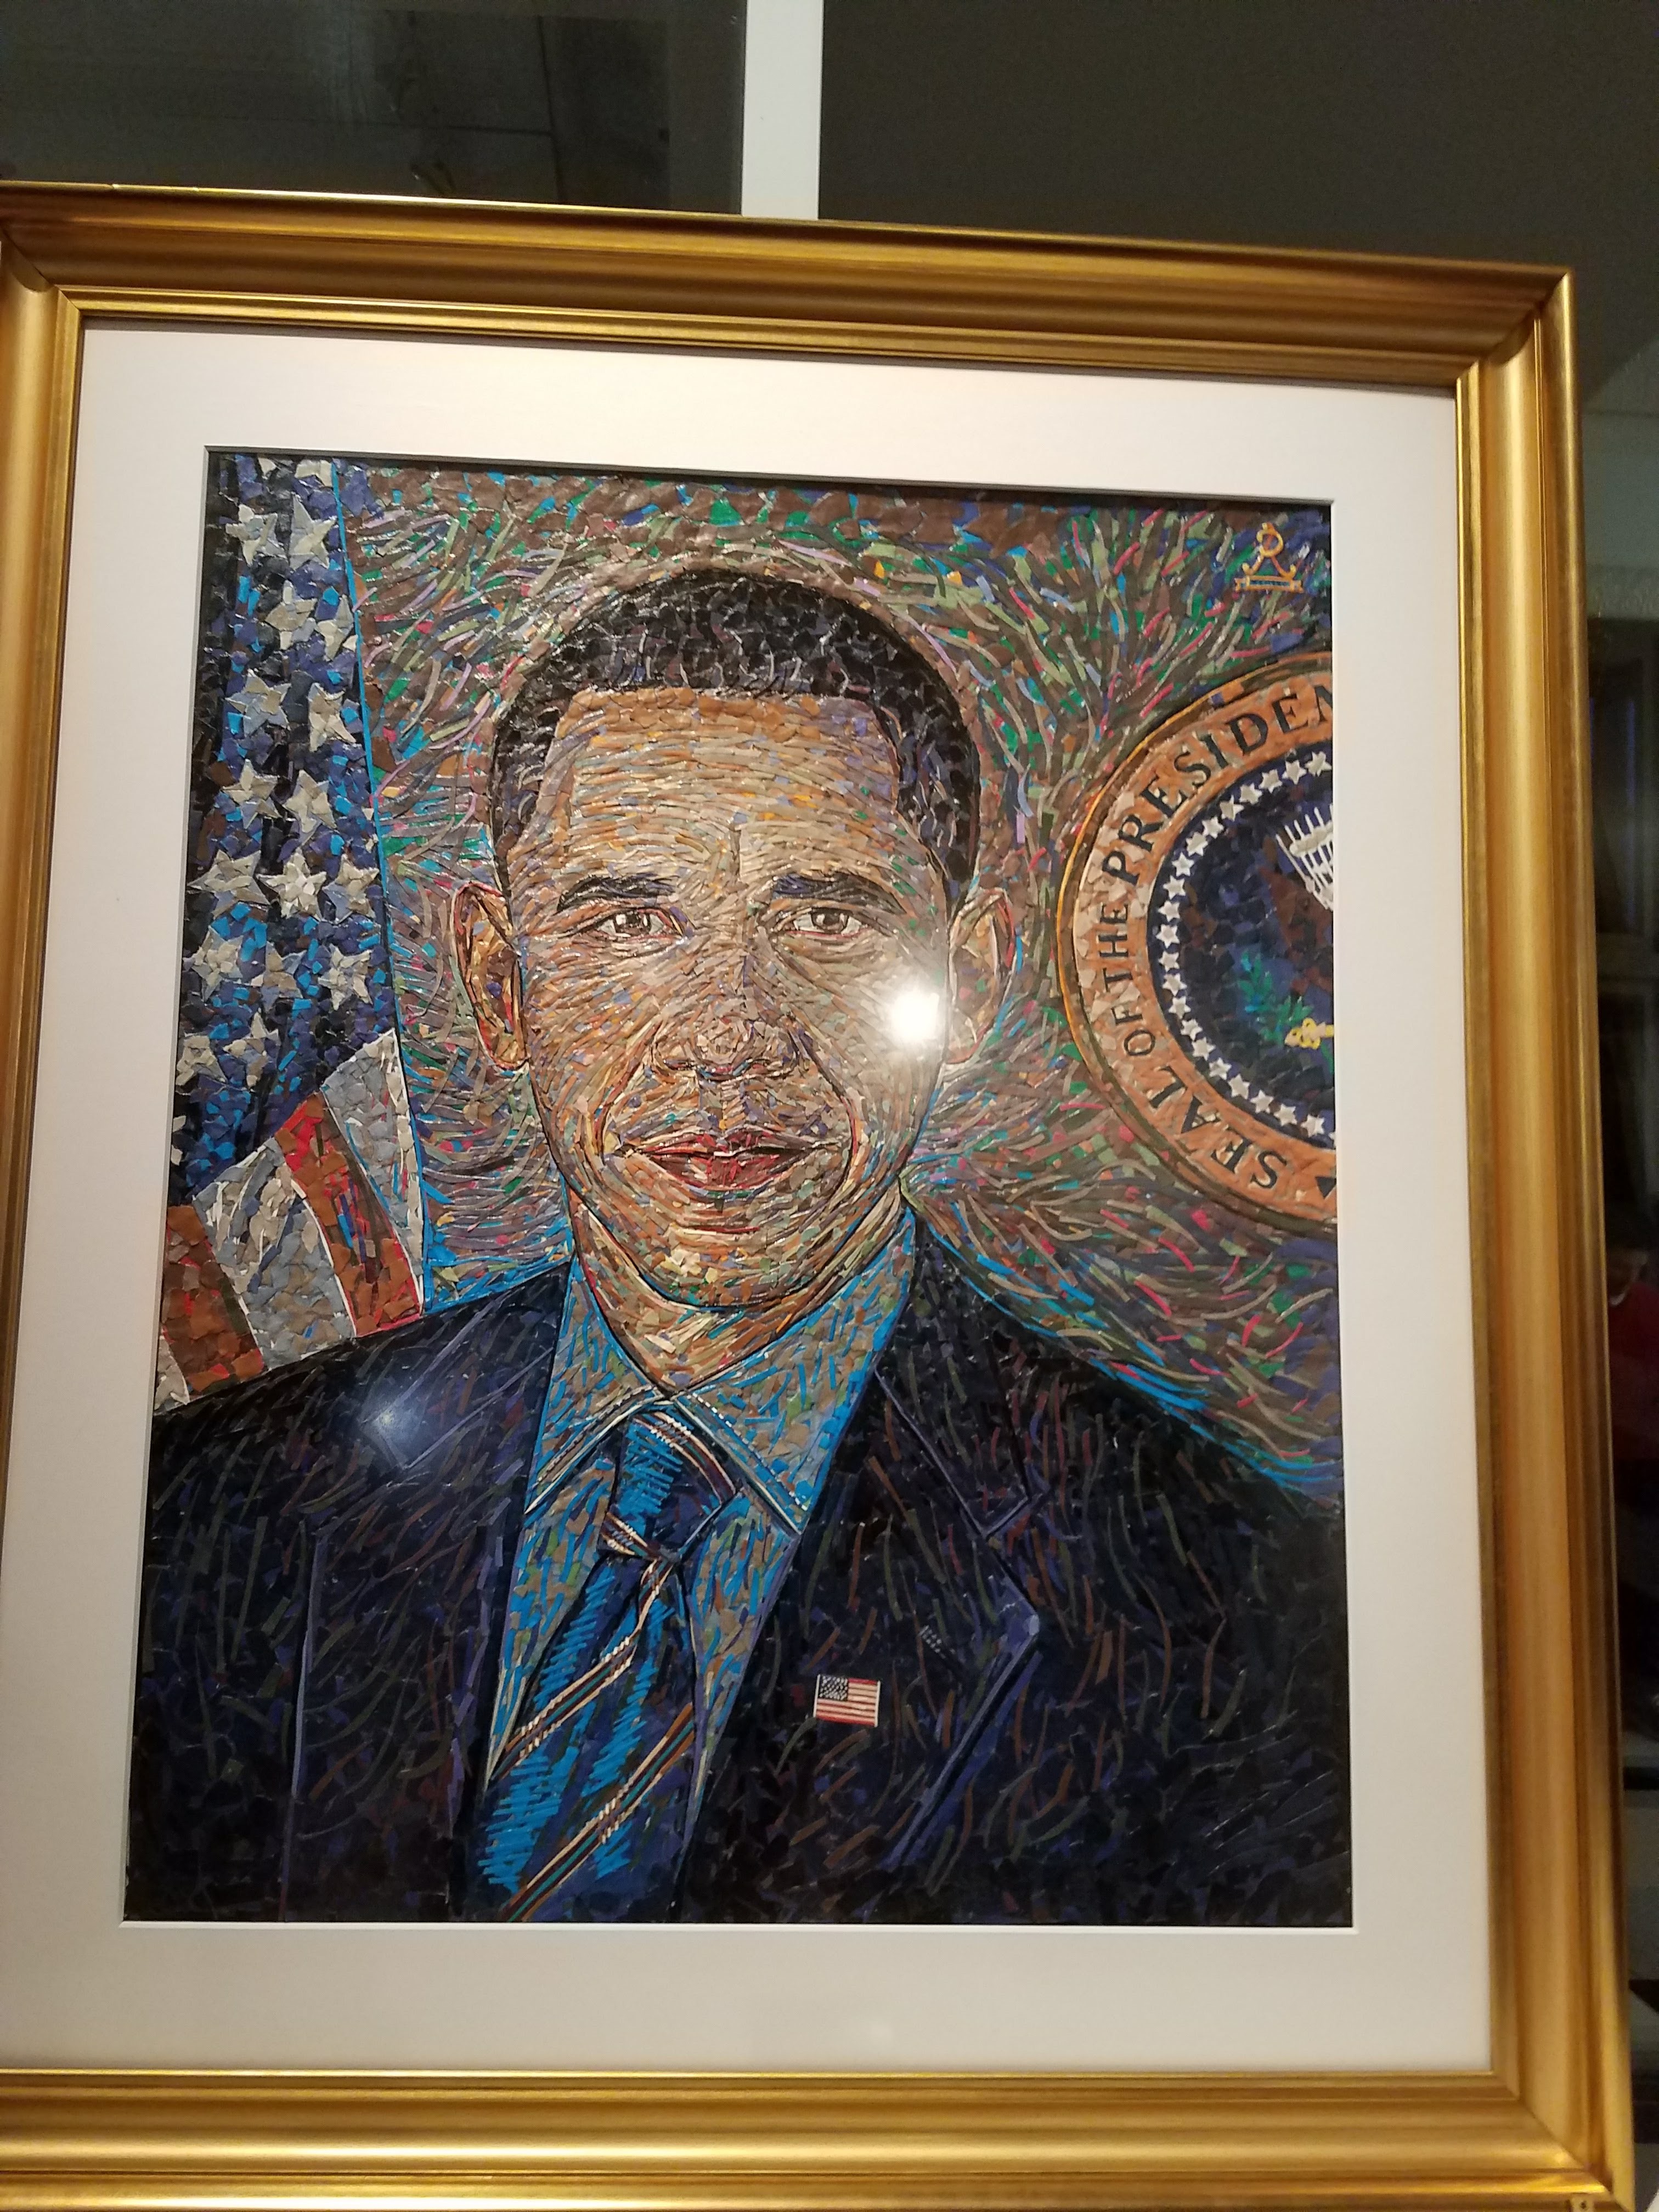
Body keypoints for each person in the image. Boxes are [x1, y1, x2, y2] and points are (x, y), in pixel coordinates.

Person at [127, 569, 1350, 1924]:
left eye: (826, 921)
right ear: (498, 984)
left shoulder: (1229, 1604)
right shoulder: (200, 1518)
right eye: (627, 922)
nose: (727, 1036)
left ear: (971, 987)